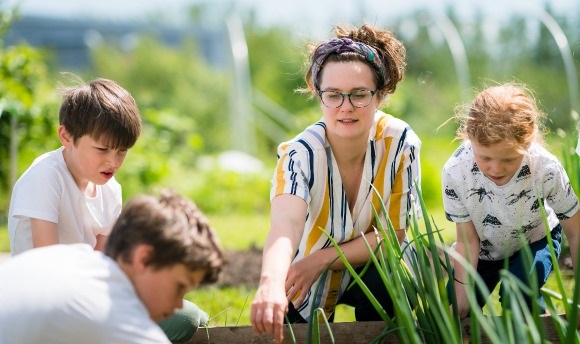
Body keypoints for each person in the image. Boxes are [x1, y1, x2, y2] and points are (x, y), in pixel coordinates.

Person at [251, 23, 422, 343]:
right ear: (318, 96)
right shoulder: (299, 154)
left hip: (375, 264)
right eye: (333, 95)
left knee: (395, 280)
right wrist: (270, 283)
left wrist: (321, 259)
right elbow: (284, 226)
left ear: (381, 95)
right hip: (305, 275)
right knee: (290, 322)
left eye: (359, 95)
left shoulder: (401, 144)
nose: (346, 107)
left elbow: (393, 235)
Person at [6, 75, 210, 342]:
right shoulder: (45, 177)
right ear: (66, 136)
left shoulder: (109, 188)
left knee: (197, 319)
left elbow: (105, 262)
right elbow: (49, 266)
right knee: (182, 321)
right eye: (102, 149)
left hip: (87, 294)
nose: (113, 162)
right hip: (49, 304)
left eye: (122, 151)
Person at [0, 189, 225, 344]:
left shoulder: (74, 258)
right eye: (179, 287)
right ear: (144, 259)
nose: (178, 305)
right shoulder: (119, 318)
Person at [442, 83, 580, 319]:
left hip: (535, 240)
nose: (495, 168)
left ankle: (535, 324)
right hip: (483, 249)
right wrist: (463, 301)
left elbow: (576, 231)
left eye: (509, 159)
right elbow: (467, 241)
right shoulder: (456, 171)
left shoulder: (546, 169)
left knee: (517, 291)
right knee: (457, 302)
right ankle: (538, 314)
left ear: (529, 142)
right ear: (469, 137)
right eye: (484, 157)